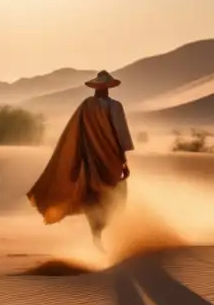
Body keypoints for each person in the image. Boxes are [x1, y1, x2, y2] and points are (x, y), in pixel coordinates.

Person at [26, 70, 135, 250]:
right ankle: (104, 233)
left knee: (90, 196)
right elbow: (120, 135)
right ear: (108, 87)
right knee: (115, 195)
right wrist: (123, 161)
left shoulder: (86, 105)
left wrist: (77, 157)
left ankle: (97, 235)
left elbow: (75, 133)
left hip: (89, 159)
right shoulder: (115, 106)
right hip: (110, 159)